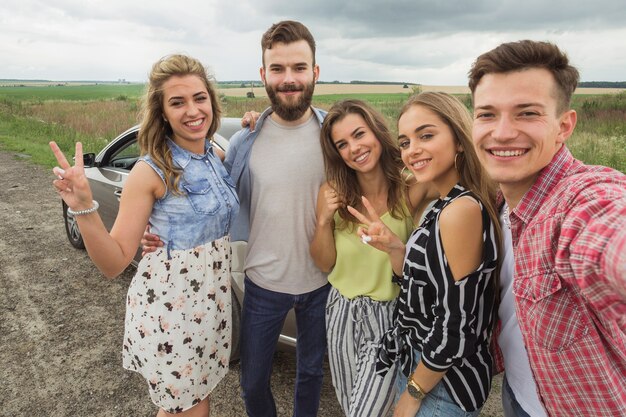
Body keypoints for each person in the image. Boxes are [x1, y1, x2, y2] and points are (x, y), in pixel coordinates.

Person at [49, 54, 239, 417]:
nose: (192, 110)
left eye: (199, 98)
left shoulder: (214, 154)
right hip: (171, 311)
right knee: (190, 409)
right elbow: (115, 260)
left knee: (191, 404)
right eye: (177, 102)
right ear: (162, 112)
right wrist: (84, 206)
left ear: (212, 102)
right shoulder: (149, 170)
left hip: (210, 306)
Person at [469, 40, 626, 417]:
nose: (502, 133)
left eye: (527, 113)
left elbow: (607, 241)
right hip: (521, 393)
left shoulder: (582, 199)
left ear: (563, 125)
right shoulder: (497, 202)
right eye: (487, 115)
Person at [349, 92, 501, 417]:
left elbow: (456, 323)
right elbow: (428, 288)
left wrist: (413, 393)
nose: (412, 150)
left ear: (460, 140)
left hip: (442, 384)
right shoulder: (443, 200)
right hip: (424, 364)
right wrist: (394, 247)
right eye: (404, 142)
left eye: (426, 135)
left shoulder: (460, 210)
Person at [310, 99, 436, 416]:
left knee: (363, 413)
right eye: (342, 144)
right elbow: (324, 263)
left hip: (388, 318)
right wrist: (324, 220)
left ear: (377, 132)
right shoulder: (333, 191)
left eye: (359, 134)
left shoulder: (411, 187)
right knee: (351, 405)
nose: (354, 148)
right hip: (340, 311)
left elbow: (461, 169)